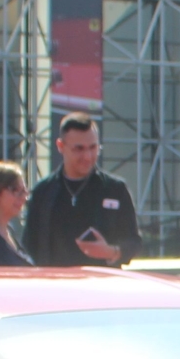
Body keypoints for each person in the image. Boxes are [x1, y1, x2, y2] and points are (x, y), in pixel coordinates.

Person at [24, 114, 140, 266]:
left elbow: (134, 241)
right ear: (60, 146)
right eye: (78, 149)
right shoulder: (44, 191)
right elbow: (29, 245)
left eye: (93, 148)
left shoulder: (115, 189)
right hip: (56, 284)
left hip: (101, 283)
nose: (87, 156)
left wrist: (112, 251)